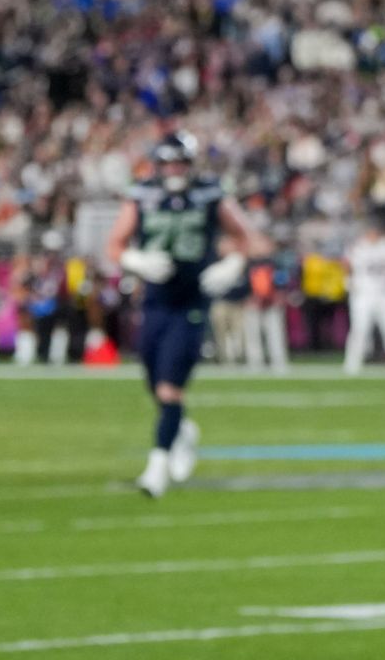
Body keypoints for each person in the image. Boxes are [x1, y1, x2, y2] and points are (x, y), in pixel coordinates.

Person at [104, 131, 268, 497]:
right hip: (155, 302)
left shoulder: (210, 193)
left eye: (180, 162)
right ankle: (180, 430)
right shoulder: (142, 194)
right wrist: (136, 259)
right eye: (168, 163)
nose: (175, 170)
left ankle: (157, 468)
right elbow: (114, 244)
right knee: (153, 381)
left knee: (169, 387)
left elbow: (251, 238)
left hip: (192, 302)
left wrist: (234, 263)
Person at [343, 218, 385, 375]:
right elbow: (346, 263)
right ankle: (353, 363)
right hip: (363, 294)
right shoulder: (358, 246)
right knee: (360, 330)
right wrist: (349, 281)